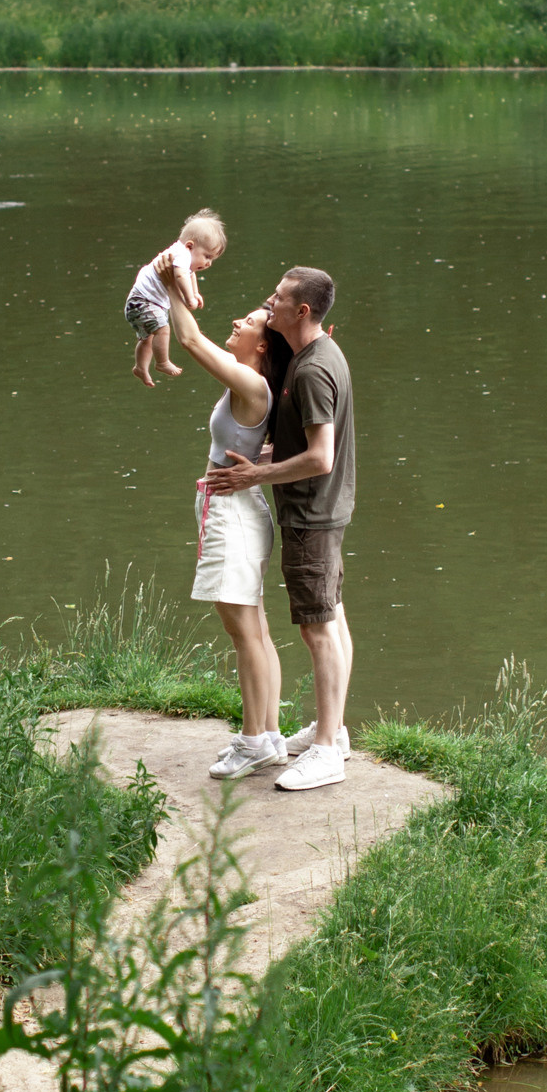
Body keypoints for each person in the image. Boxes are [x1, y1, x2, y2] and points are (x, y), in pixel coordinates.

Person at [205, 266, 354, 793]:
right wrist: (260, 460)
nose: (270, 303)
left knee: (317, 628)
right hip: (321, 508)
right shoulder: (315, 356)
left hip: (312, 512)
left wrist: (254, 475)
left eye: (279, 298)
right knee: (331, 618)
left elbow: (321, 457)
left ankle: (327, 751)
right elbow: (301, 446)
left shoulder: (311, 371)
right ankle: (333, 730)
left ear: (302, 311)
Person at [165, 290, 293, 779]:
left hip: (232, 516)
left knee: (245, 634)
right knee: (255, 630)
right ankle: (270, 736)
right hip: (236, 509)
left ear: (262, 346)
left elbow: (190, 339)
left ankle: (253, 741)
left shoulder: (251, 383)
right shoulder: (250, 380)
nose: (238, 322)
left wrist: (170, 283)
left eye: (250, 322)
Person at [124, 208, 227, 387]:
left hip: (141, 302)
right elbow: (180, 276)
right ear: (190, 246)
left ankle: (140, 367)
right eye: (207, 256)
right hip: (143, 301)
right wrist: (189, 298)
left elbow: (190, 275)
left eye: (212, 259)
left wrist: (195, 293)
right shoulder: (181, 255)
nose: (209, 263)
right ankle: (162, 362)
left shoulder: (184, 256)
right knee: (163, 330)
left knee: (147, 338)